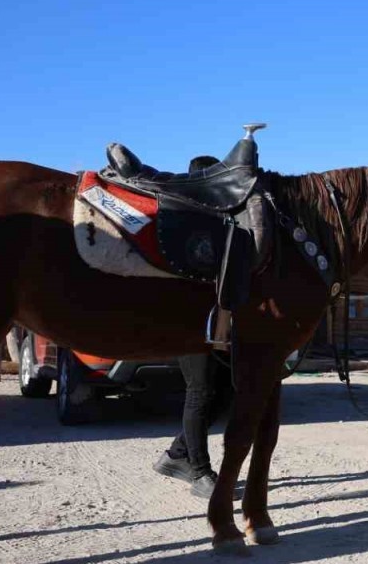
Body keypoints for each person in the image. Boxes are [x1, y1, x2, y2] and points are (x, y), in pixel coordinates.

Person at [152, 154, 236, 499]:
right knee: (200, 390)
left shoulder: (217, 219)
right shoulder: (179, 219)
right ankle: (200, 472)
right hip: (187, 319)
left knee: (224, 391)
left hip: (217, 319)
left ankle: (175, 455)